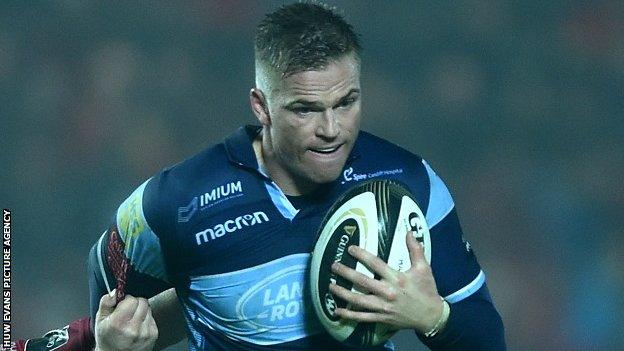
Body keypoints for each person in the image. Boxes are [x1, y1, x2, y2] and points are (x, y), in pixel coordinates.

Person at [14, 2, 505, 350]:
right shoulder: (174, 204)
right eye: (305, 109)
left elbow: (488, 339)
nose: (332, 130)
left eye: (346, 102)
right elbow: (113, 311)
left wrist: (434, 318)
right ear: (262, 106)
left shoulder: (410, 184)